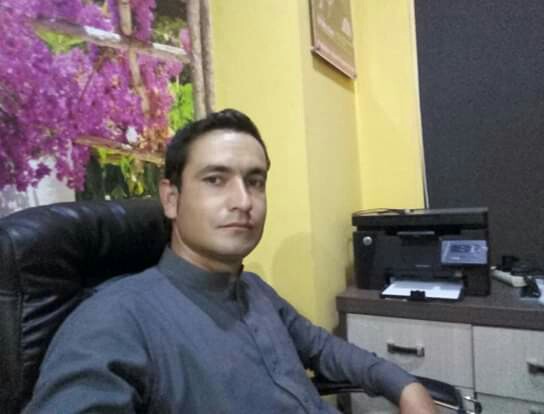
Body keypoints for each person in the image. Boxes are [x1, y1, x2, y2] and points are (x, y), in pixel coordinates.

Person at [24, 109, 436, 413]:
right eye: (215, 179)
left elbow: (323, 347)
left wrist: (405, 386)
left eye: (255, 182)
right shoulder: (114, 320)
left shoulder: (254, 290)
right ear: (171, 198)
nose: (243, 201)